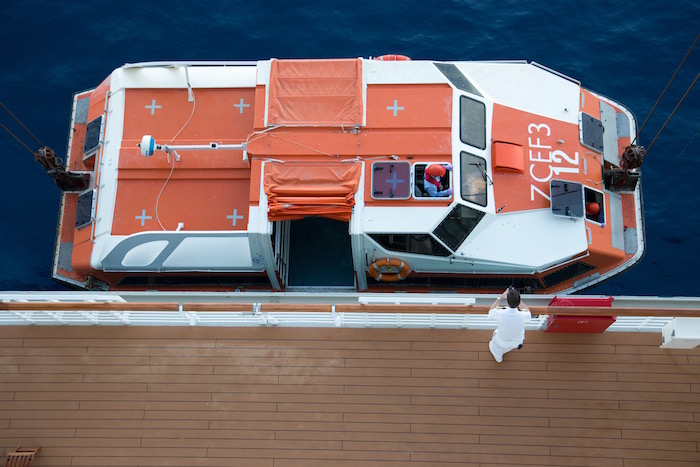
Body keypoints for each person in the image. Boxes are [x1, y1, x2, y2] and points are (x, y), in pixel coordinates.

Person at [487, 286, 531, 363]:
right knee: (509, 343)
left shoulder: (500, 312)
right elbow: (527, 311)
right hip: (517, 342)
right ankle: (505, 349)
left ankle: (498, 357)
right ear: (518, 302)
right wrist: (517, 299)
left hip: (501, 342)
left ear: (507, 301)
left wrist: (500, 297)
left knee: (494, 342)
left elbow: (491, 311)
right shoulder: (524, 315)